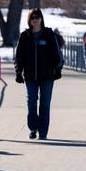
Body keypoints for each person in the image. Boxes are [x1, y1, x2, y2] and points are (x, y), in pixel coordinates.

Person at [14, 8, 63, 140]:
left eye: (37, 17)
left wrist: (58, 69)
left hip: (47, 76)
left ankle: (43, 132)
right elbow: (19, 56)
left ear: (41, 19)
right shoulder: (25, 36)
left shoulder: (48, 34)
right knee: (31, 103)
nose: (35, 20)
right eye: (32, 17)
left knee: (45, 104)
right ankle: (33, 128)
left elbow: (57, 53)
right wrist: (18, 71)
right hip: (30, 77)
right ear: (29, 20)